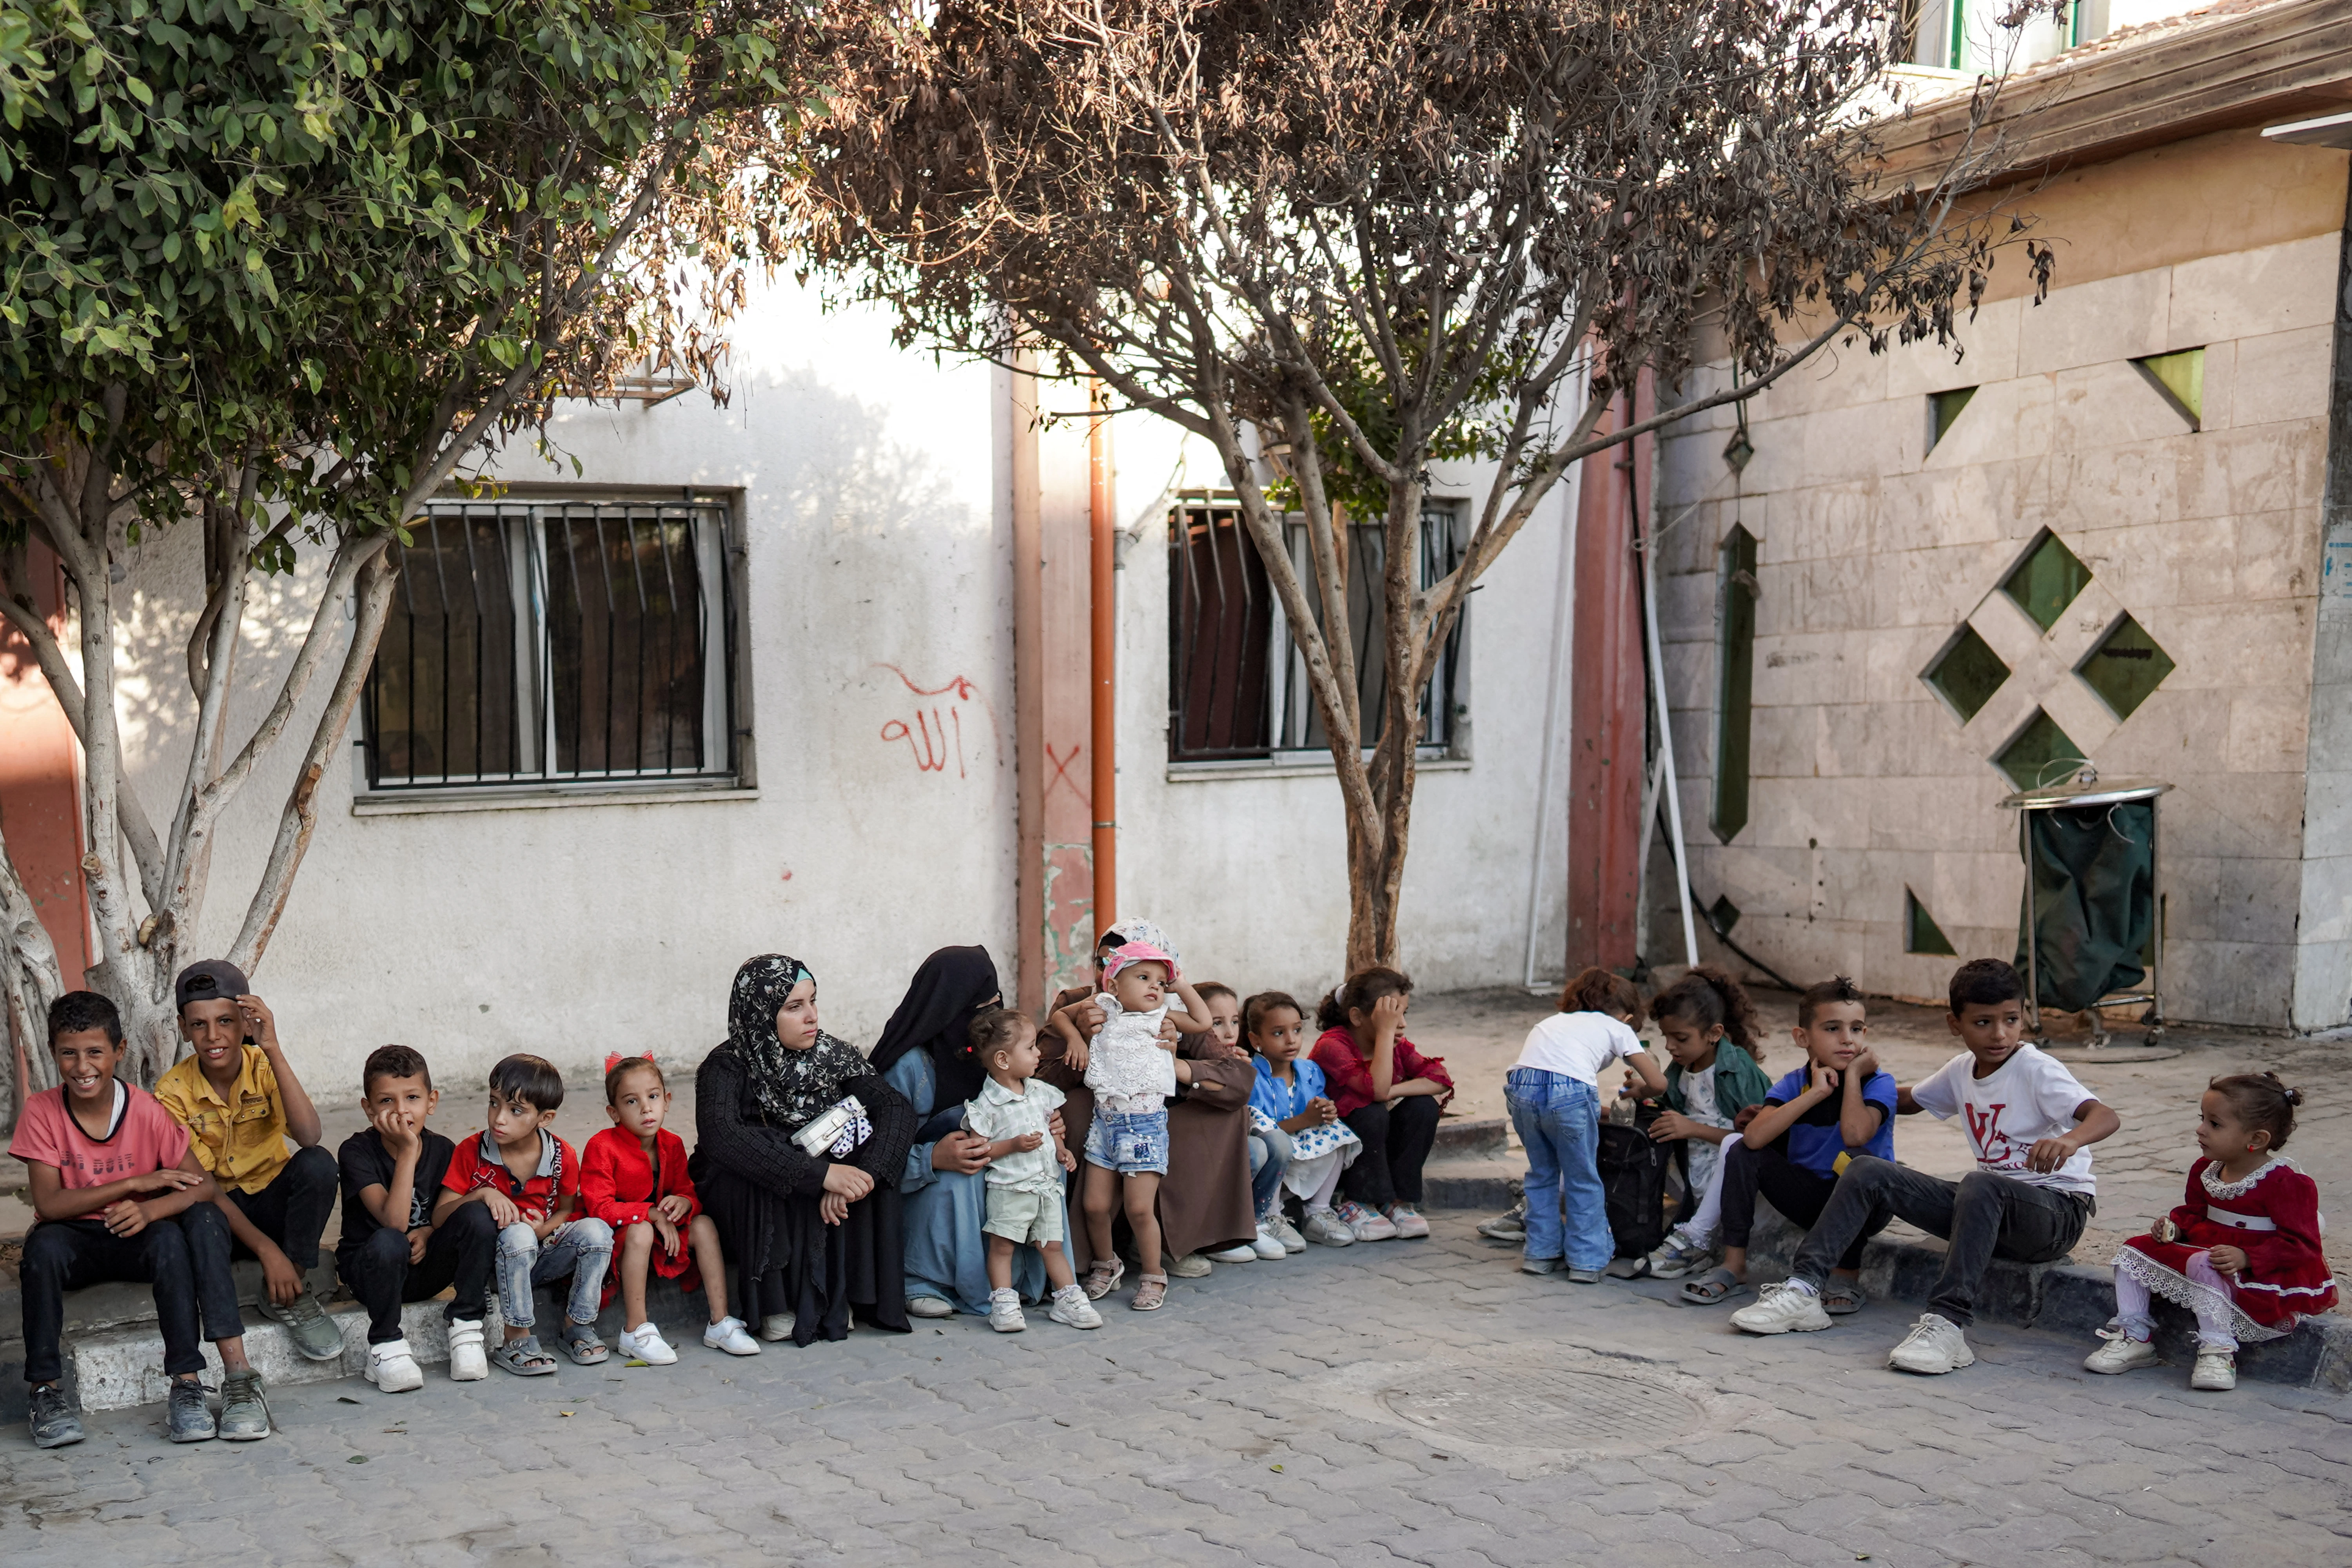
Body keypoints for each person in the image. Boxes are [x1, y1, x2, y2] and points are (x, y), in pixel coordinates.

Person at [1732, 959, 2122, 1375]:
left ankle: (1947, 1324)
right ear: (1956, 1024)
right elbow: (1906, 1099)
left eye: (2012, 1019)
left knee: (1981, 1183)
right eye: (1984, 1022)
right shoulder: (1960, 1071)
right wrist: (1837, 1084)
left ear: (2024, 1014)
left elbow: (2104, 1115)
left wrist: (2069, 1139)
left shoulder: (2036, 1069)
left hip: (2053, 1214)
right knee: (1867, 1169)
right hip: (1985, 1212)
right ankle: (1803, 1290)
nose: (2000, 1033)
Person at [14, 991, 267, 1447]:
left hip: (136, 1233)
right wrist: (134, 1184)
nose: (82, 1066)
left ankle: (187, 1384)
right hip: (75, 1236)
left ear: (120, 1051)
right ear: (54, 1054)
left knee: (170, 1242)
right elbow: (50, 1204)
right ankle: (46, 1391)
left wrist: (150, 1208)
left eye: (95, 1052)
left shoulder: (146, 1110)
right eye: (68, 1053)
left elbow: (203, 1187)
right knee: (41, 1249)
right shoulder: (42, 1111)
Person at [691, 953, 916, 1346]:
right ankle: (778, 1304)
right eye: (794, 1006)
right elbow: (723, 1137)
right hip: (746, 1199)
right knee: (767, 1154)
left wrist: (864, 1177)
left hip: (823, 1180)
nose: (811, 1015)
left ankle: (840, 1296)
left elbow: (895, 1107)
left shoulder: (833, 1056)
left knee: (864, 1146)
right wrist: (822, 1176)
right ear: (762, 1013)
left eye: (813, 1001)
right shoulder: (726, 1067)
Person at [2086, 1073, 2333, 1392]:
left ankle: (2218, 1350)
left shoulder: (2287, 1183)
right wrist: (2174, 1229)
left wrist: (2248, 1257)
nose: (2201, 1130)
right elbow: (2194, 1214)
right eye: (2202, 1119)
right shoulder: (2206, 1170)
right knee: (2134, 1250)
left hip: (2259, 1270)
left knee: (2206, 1262)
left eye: (2215, 1125)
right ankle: (2135, 1335)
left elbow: (2304, 1245)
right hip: (2209, 1248)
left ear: (2257, 1140)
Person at [1042, 920, 1259, 1283]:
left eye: (1154, 977)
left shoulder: (1167, 1009)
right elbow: (1038, 1077)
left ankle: (1174, 1243)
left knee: (1225, 1110)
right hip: (1107, 1117)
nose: (1104, 971)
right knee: (1077, 1109)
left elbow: (1237, 1079)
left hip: (1150, 1121)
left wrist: (1174, 1065)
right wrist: (1081, 1038)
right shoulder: (1085, 1002)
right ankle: (1098, 1256)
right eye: (1100, 962)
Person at [152, 959, 343, 1363]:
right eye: (199, 1024)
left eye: (226, 1020)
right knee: (199, 1212)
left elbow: (309, 1135)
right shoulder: (172, 1091)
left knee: (318, 1163)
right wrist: (267, 1252)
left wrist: (271, 1047)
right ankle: (237, 1363)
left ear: (246, 1022)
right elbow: (203, 1185)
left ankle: (292, 1289)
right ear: (184, 1029)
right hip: (221, 1216)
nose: (214, 1035)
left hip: (273, 1206)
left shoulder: (263, 1066)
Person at [1694, 977, 1892, 1315]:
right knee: (1743, 1151)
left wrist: (1855, 1077)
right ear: (1803, 1038)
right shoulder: (1794, 1084)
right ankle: (1734, 1264)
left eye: (1856, 1029)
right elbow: (1755, 1138)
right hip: (1809, 1196)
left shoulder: (1879, 1083)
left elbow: (1856, 1135)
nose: (1847, 1039)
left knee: (1858, 1162)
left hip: (1866, 1202)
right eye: (1832, 1029)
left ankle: (1846, 1275)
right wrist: (1815, 1093)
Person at [869, 945, 1033, 1319]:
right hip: (921, 1188)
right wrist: (932, 1158)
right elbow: (874, 1157)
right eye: (979, 1009)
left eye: (997, 1004)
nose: (989, 1020)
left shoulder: (998, 1054)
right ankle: (923, 1281)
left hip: (995, 1175)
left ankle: (1009, 1281)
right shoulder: (911, 1067)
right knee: (958, 1180)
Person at [1054, 940, 1217, 1310]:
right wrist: (1075, 1038)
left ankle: (1153, 1274)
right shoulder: (1103, 1008)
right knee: (1095, 1206)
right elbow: (1061, 1016)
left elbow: (1204, 1022)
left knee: (1139, 1209)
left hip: (1144, 1126)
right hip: (1105, 1124)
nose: (1155, 987)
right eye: (1144, 978)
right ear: (1113, 985)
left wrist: (1182, 985)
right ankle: (1107, 1262)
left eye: (1161, 982)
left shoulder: (1162, 1018)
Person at [433, 1054, 613, 1375]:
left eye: (516, 1110)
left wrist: (544, 1230)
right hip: (492, 1264)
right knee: (518, 1234)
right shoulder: (471, 1152)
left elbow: (567, 1210)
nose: (499, 1118)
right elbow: (440, 1219)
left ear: (545, 1119)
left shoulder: (562, 1156)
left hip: (540, 1254)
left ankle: (577, 1326)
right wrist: (482, 1194)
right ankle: (516, 1337)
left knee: (598, 1232)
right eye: (494, 1103)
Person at [334, 1044, 499, 1390]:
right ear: (368, 1108)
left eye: (412, 1098)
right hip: (372, 1273)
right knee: (389, 1240)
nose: (401, 1112)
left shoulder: (443, 1150)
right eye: (386, 1101)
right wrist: (408, 1150)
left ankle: (467, 1327)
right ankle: (385, 1346)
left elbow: (443, 1215)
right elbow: (393, 1223)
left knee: (477, 1216)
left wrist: (426, 1231)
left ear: (432, 1102)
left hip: (424, 1270)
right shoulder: (355, 1152)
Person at [583, 1055, 760, 1364]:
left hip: (664, 1235)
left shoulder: (672, 1144)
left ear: (666, 1100)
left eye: (653, 1097)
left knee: (703, 1224)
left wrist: (685, 1202)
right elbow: (599, 1207)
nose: (646, 1109)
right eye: (631, 1102)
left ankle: (721, 1323)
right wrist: (649, 1214)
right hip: (621, 1240)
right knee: (640, 1230)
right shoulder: (602, 1146)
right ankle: (635, 1330)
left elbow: (688, 1191)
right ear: (614, 1113)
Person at [1504, 967, 1668, 1282]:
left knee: (1542, 1174)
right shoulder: (1618, 1027)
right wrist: (1639, 1092)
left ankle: (1540, 1253)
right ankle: (1587, 1260)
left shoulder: (1551, 1022)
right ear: (1628, 1017)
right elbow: (1658, 1083)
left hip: (1521, 1087)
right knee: (1582, 1178)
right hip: (1569, 1093)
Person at [961, 1008, 1100, 1332]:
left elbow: (1054, 1131)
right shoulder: (986, 1106)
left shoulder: (1040, 1093)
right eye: (1030, 1047)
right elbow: (980, 1149)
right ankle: (1004, 1303)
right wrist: (1011, 1146)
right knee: (1002, 1247)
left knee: (1052, 1245)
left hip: (1046, 1187)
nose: (1039, 1053)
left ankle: (1068, 1299)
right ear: (1003, 1060)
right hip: (1010, 1189)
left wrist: (1063, 1151)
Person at [1638, 967, 1773, 1279]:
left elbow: (1762, 1137)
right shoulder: (1682, 1067)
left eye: (1681, 1038)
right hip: (1692, 1176)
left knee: (1734, 1145)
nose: (1670, 1047)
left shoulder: (1737, 1070)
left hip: (1737, 1183)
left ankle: (1695, 1241)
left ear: (1714, 1033)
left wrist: (1692, 1128)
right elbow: (1665, 1108)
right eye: (1666, 1038)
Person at [1310, 967, 1455, 1243]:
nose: (1401, 1023)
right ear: (1357, 1017)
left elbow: (1440, 1079)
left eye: (1404, 1013)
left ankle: (1397, 1202)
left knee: (1423, 1106)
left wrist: (1392, 1091)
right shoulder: (1332, 1046)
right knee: (1370, 1111)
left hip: (1376, 1148)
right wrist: (1386, 1037)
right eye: (1391, 1015)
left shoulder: (1394, 1044)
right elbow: (1375, 1092)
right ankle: (1357, 1202)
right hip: (1338, 1153)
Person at [1245, 989, 1359, 1250]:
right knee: (1276, 1147)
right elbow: (1262, 1132)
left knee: (1338, 1132)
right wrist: (1306, 1119)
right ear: (1255, 1040)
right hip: (1274, 1157)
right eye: (1278, 1033)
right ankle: (1271, 1215)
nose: (1291, 1040)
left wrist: (1325, 1110)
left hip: (1304, 1148)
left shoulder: (1309, 1071)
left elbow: (1318, 1105)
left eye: (1297, 1030)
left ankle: (1318, 1212)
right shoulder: (1251, 1078)